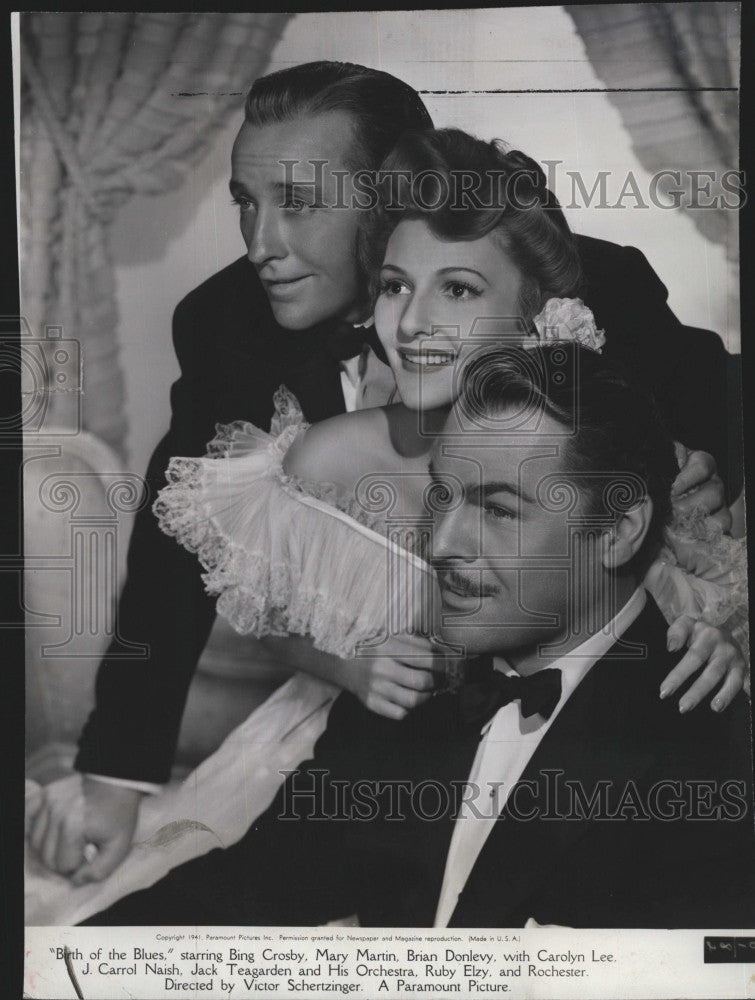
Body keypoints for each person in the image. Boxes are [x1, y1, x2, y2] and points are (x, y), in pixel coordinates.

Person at [30, 63, 740, 886]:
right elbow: (180, 562)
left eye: (298, 202)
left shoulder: (586, 284)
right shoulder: (226, 324)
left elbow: (710, 403)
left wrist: (686, 507)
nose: (261, 245)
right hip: (374, 730)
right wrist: (114, 779)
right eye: (245, 203)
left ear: (388, 197)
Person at [84, 342, 754, 928]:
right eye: (441, 497)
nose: (441, 542)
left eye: (496, 509)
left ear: (616, 531)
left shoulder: (708, 752)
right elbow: (234, 895)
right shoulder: (412, 691)